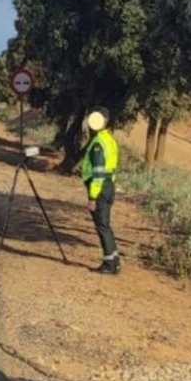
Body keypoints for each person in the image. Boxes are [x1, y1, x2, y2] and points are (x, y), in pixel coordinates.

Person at [79, 107, 120, 274]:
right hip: (109, 185)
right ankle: (114, 260)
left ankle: (109, 264)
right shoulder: (109, 139)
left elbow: (98, 172)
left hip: (100, 187)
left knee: (102, 226)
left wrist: (92, 196)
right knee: (105, 225)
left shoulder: (98, 143)